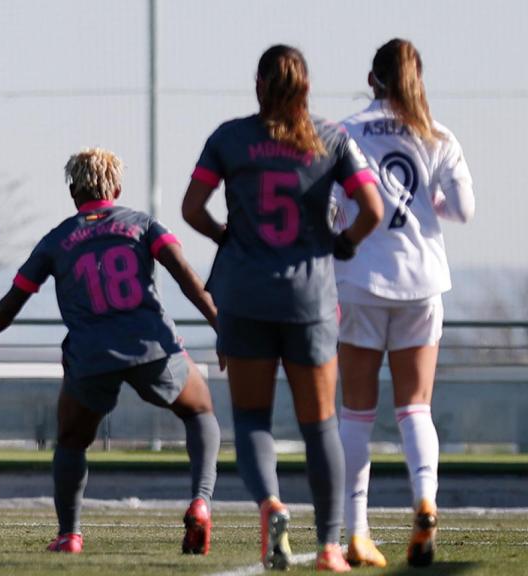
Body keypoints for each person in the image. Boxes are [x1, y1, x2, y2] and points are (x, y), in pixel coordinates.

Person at [0, 148, 222, 556]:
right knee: (200, 411)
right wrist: (221, 324)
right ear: (117, 189)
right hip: (151, 346)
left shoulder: (57, 239)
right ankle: (201, 502)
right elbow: (186, 276)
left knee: (71, 442)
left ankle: (70, 535)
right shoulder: (143, 225)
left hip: (91, 355)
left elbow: (16, 296)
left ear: (72, 192)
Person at [181, 45, 383, 572]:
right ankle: (331, 546)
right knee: (321, 425)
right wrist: (343, 244)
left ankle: (270, 504)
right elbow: (373, 207)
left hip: (245, 296)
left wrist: (225, 236)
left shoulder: (229, 138)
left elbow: (191, 208)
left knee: (252, 420)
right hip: (309, 300)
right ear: (306, 88)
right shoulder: (331, 138)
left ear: (258, 85)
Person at [333, 39, 475, 569]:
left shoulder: (344, 132)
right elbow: (463, 208)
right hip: (423, 280)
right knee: (415, 407)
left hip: (360, 280)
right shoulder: (439, 134)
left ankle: (357, 531)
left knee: (357, 411)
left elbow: (329, 208)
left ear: (372, 80)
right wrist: (430, 204)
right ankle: (425, 501)